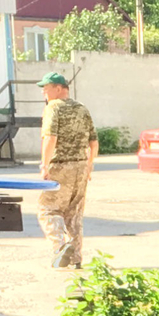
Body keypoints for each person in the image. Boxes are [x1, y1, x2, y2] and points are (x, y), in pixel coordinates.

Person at [35, 71, 95, 270]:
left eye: (46, 88)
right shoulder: (82, 108)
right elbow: (93, 141)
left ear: (59, 89)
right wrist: (89, 165)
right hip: (80, 166)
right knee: (75, 213)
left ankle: (59, 247)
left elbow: (50, 138)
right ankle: (76, 257)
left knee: (47, 209)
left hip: (60, 165)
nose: (44, 92)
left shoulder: (53, 108)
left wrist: (45, 165)